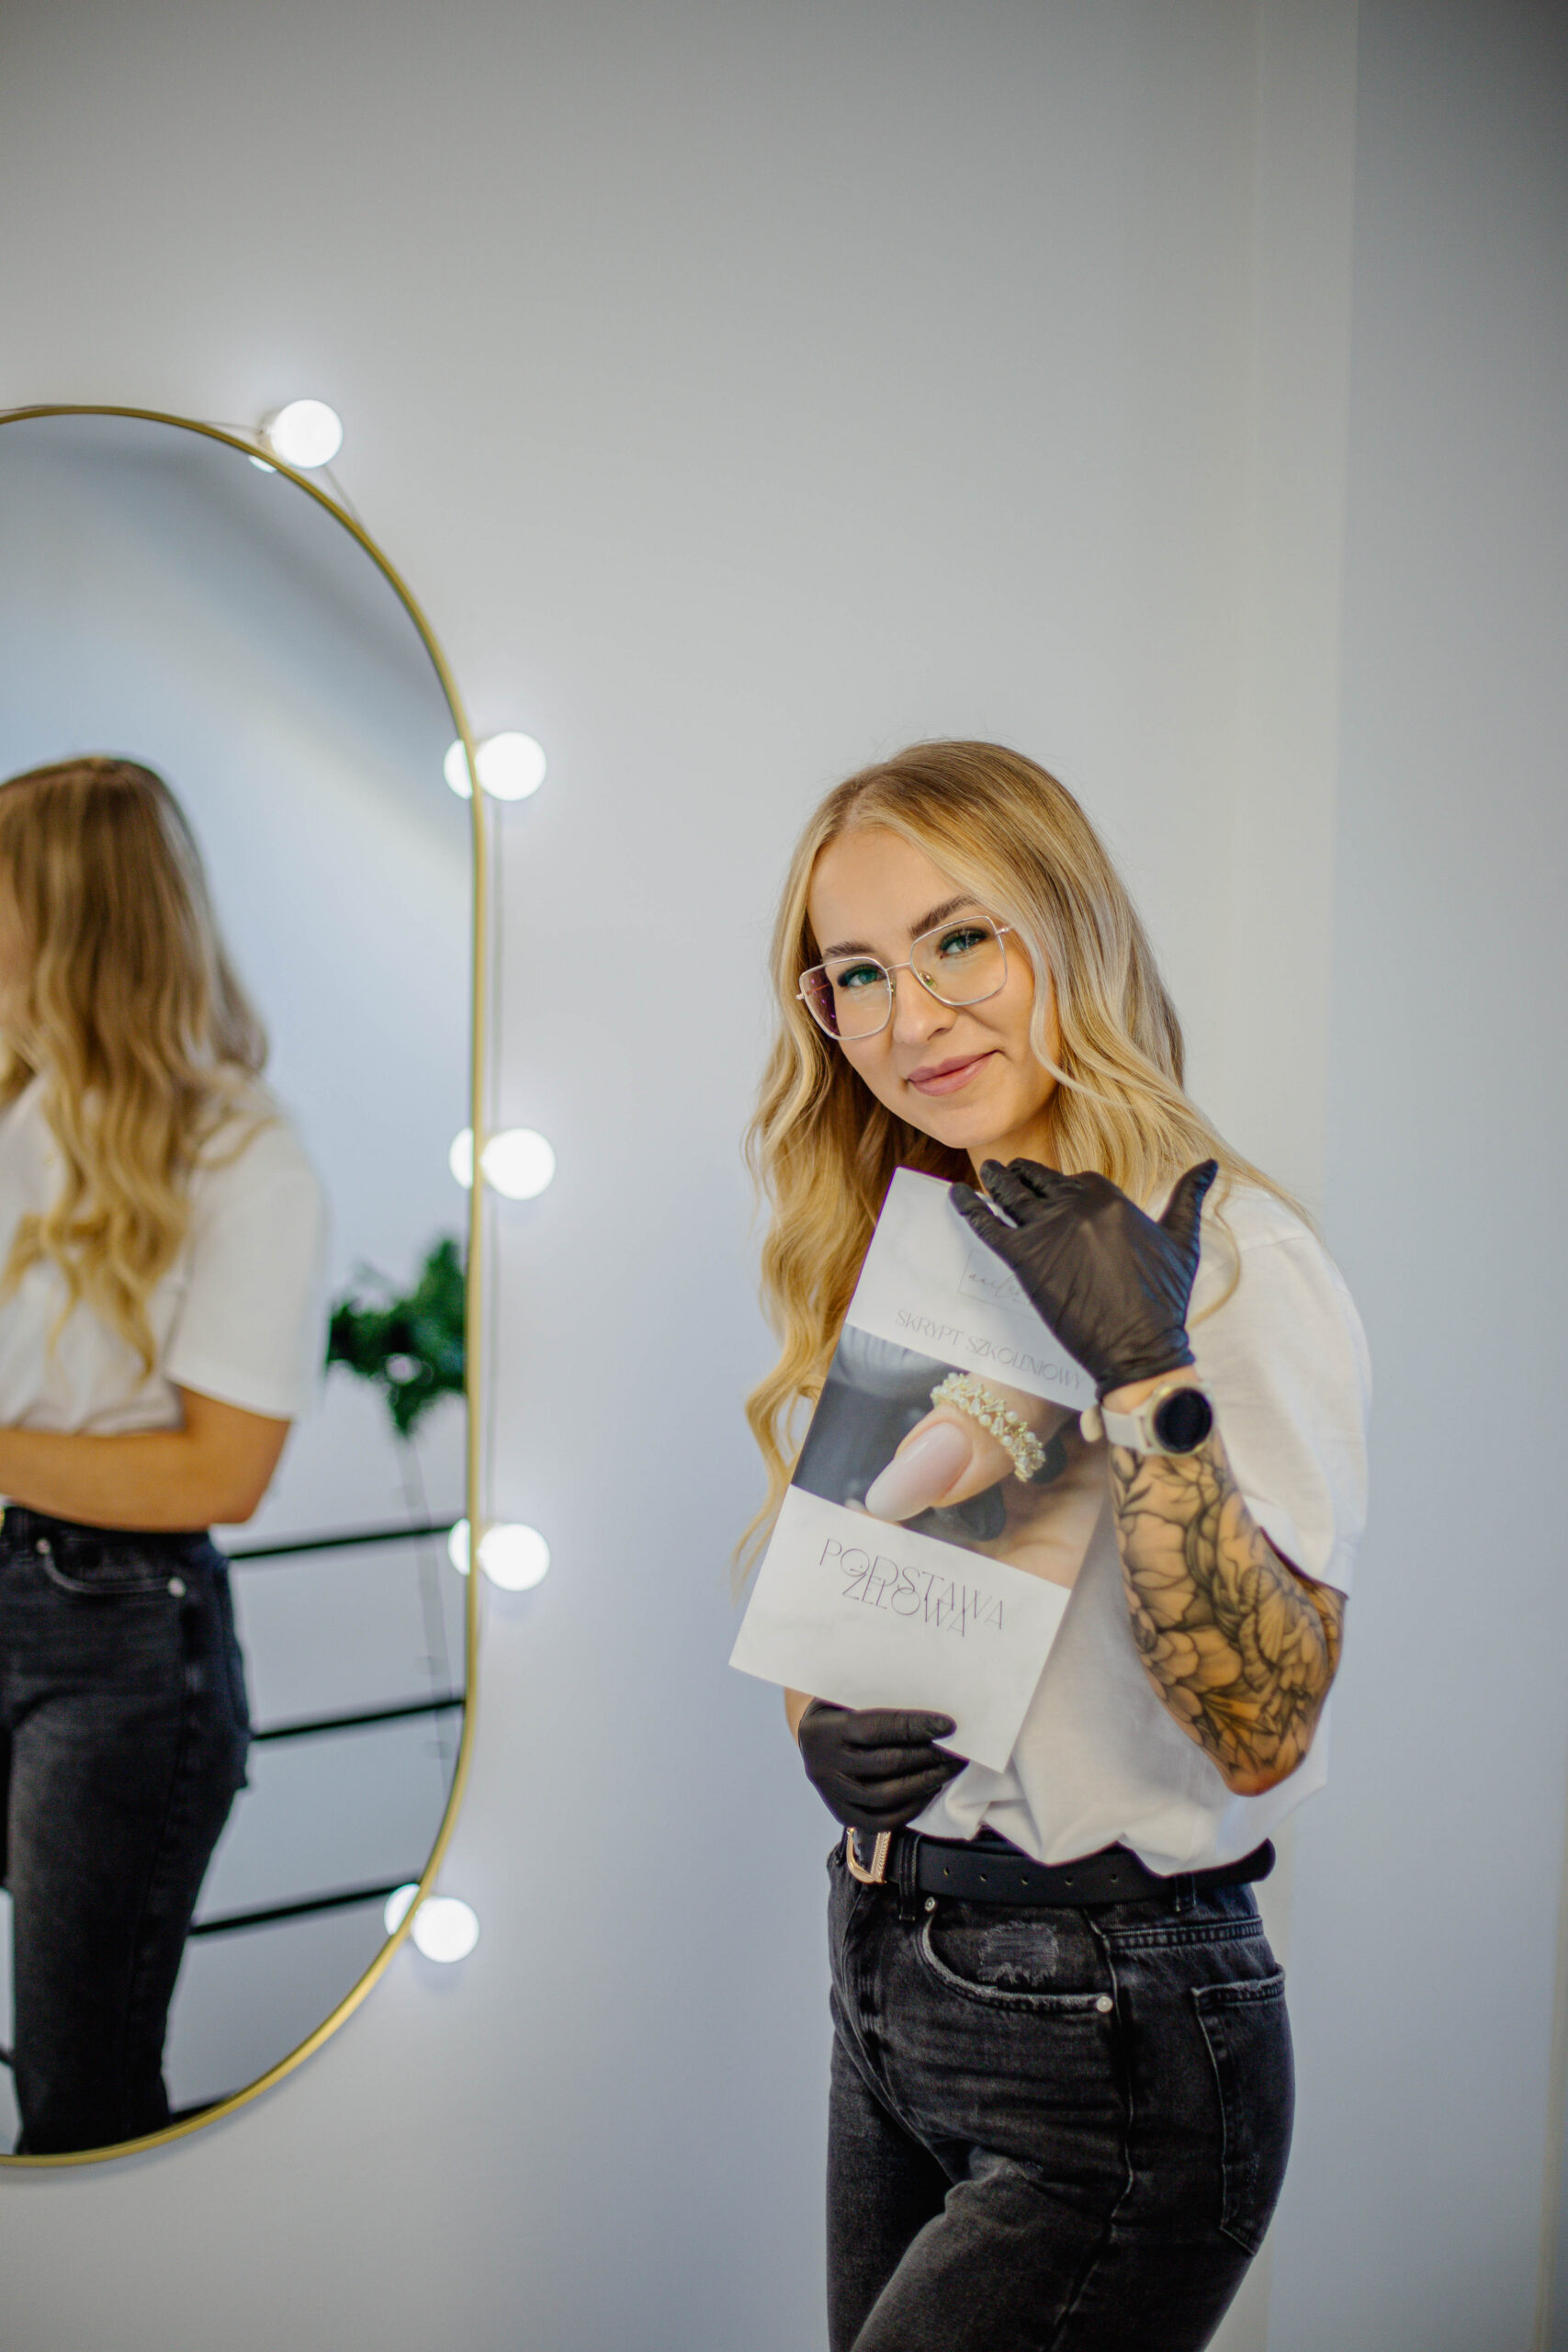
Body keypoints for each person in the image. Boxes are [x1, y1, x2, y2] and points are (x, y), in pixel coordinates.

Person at [744, 741, 1369, 2352]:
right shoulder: (908, 1241)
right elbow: (862, 1594)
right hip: (888, 1968)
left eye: (961, 940)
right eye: (857, 973)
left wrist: (1145, 1375)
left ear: (1070, 933)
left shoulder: (1232, 1265)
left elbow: (1263, 1724)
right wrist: (822, 1728)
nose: (911, 1019)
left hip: (1110, 2025)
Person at [0, 756, 325, 2155]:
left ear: (69, 918)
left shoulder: (246, 1159)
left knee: (75, 2083)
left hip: (118, 1648)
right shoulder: (21, 1110)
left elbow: (217, 1475)